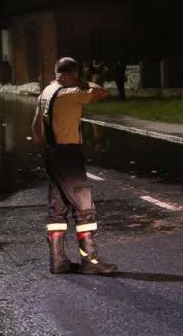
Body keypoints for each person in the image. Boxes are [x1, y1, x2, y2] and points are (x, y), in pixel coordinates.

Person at [31, 56, 118, 275]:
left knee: (57, 212)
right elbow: (101, 92)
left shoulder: (46, 92)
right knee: (85, 210)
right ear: (73, 74)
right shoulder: (70, 93)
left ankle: (58, 261)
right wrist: (83, 81)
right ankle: (91, 262)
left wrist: (47, 152)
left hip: (52, 153)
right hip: (68, 156)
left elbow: (35, 127)